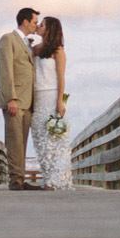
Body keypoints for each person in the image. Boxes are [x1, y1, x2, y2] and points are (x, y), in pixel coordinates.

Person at [0, 7, 43, 191]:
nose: (36, 25)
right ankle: (15, 181)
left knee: (22, 142)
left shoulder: (28, 43)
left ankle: (20, 178)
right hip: (15, 99)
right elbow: (6, 71)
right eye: (35, 22)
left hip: (28, 101)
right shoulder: (8, 39)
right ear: (25, 22)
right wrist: (10, 98)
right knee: (14, 141)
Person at [30, 17, 74, 190]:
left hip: (51, 94)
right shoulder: (36, 49)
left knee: (54, 138)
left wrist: (60, 101)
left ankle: (56, 181)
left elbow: (61, 78)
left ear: (50, 29)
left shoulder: (58, 51)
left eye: (42, 25)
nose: (38, 26)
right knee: (40, 137)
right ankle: (48, 178)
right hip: (37, 95)